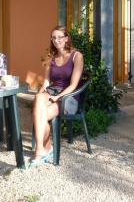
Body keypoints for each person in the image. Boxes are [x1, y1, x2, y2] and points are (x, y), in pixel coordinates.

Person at [31, 26, 84, 167]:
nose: (56, 40)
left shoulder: (76, 56)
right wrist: (41, 92)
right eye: (53, 37)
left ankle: (44, 148)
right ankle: (41, 149)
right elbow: (47, 81)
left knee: (38, 115)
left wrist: (59, 96)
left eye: (60, 37)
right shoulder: (51, 58)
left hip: (69, 98)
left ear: (66, 38)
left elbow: (73, 85)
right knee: (39, 100)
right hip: (52, 93)